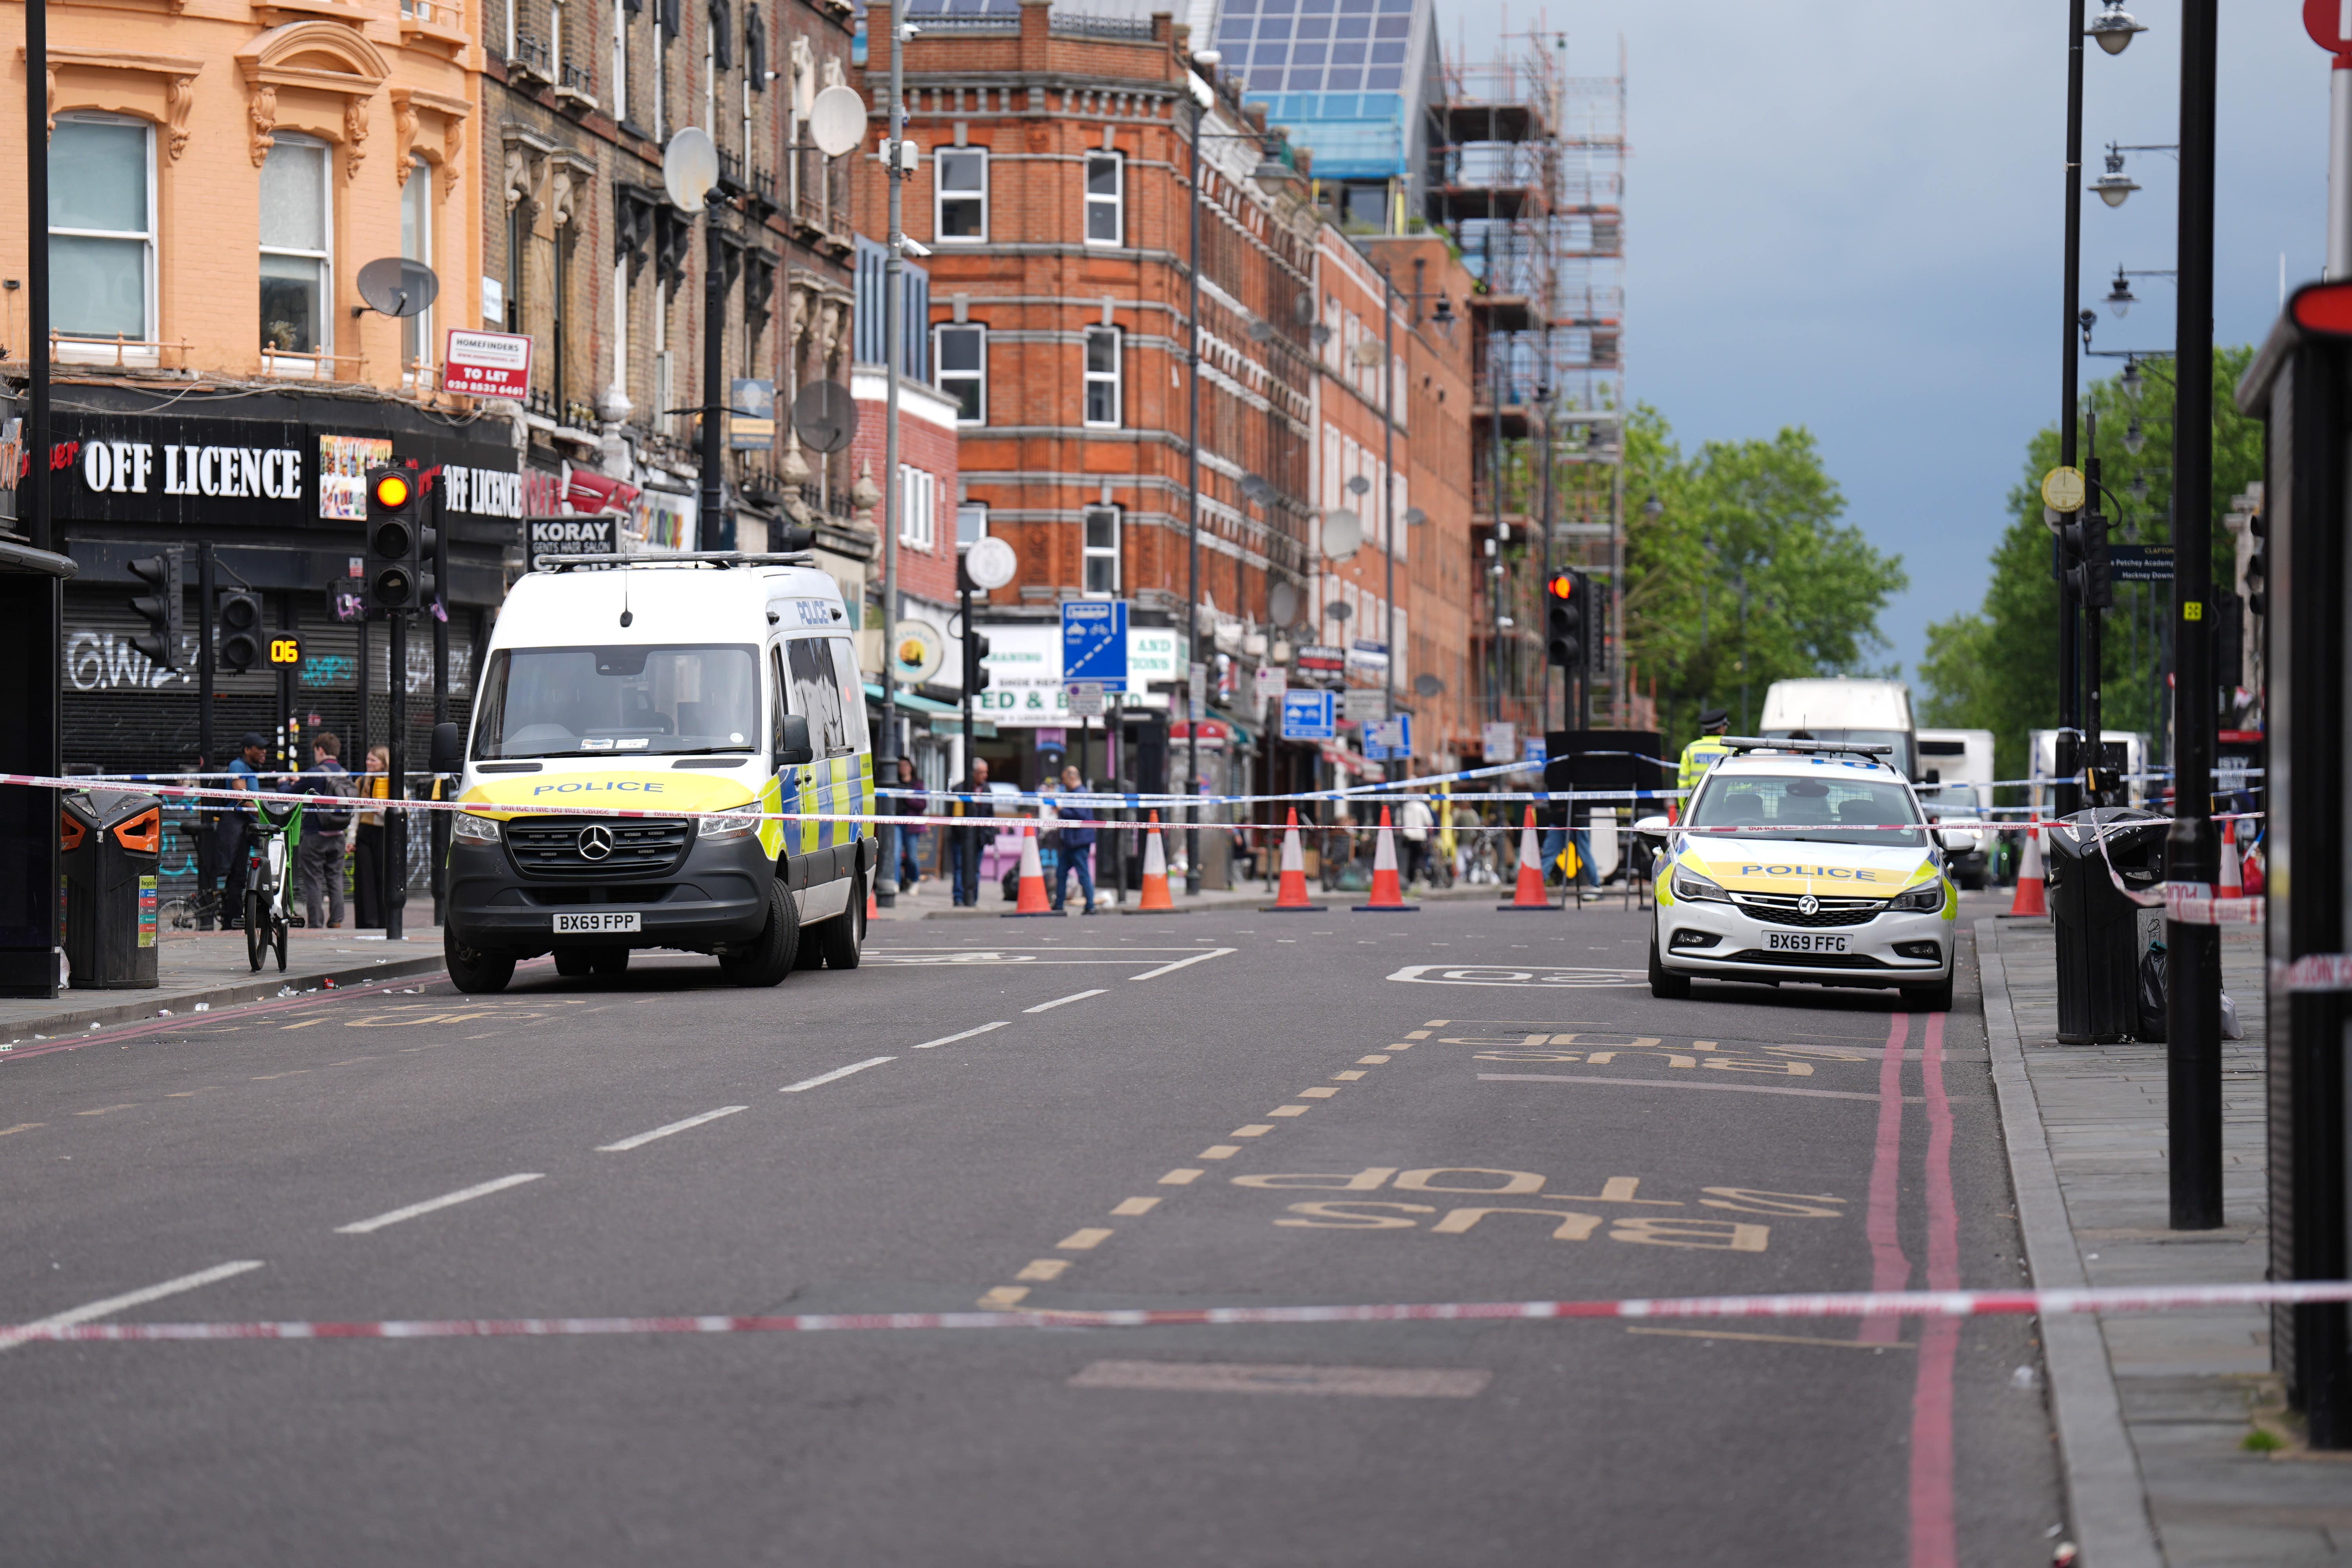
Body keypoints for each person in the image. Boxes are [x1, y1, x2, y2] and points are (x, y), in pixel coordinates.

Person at [295, 731, 354, 929]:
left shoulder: (316, 773)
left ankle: (316, 923)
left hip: (315, 836)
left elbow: (289, 794)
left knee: (313, 881)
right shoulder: (346, 773)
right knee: (335, 879)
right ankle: (336, 920)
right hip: (338, 836)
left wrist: (284, 782)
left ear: (320, 750)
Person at [219, 732, 268, 927]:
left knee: (240, 874)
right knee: (237, 874)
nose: (264, 752)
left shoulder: (251, 769)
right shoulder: (237, 766)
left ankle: (233, 917)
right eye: (260, 748)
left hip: (245, 828)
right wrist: (264, 814)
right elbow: (244, 799)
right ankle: (231, 921)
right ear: (247, 750)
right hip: (235, 827)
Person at [947, 757, 995, 907]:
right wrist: (963, 833)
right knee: (961, 867)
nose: (985, 776)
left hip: (979, 838)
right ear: (973, 773)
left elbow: (989, 814)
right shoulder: (959, 789)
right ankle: (959, 898)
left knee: (975, 870)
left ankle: (973, 898)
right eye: (981, 773)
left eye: (986, 773)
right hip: (961, 838)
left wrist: (989, 835)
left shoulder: (987, 790)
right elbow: (954, 814)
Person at [1051, 764, 1098, 913]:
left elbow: (1080, 815)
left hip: (1079, 842)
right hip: (1071, 842)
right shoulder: (1074, 793)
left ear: (1072, 777)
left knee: (1083, 875)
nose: (1063, 783)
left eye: (1064, 779)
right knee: (1061, 873)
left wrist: (1061, 810)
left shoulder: (1081, 793)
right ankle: (1059, 905)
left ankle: (1090, 906)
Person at [354, 744, 390, 930]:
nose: (368, 763)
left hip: (384, 834)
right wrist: (351, 839)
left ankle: (385, 922)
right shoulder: (362, 782)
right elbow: (356, 814)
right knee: (364, 879)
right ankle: (368, 923)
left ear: (383, 763)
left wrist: (383, 812)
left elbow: (403, 811)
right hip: (365, 833)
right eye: (368, 759)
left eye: (373, 760)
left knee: (383, 878)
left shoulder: (395, 782)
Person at [1677, 708, 1735, 802]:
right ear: (1721, 727)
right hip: (1723, 806)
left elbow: (1683, 783)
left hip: (1696, 806)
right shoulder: (1731, 749)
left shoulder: (1691, 749)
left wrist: (1684, 809)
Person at [891, 755, 927, 891]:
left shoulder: (917, 783)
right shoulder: (894, 783)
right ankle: (895, 882)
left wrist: (908, 797)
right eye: (901, 766)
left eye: (906, 766)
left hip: (912, 824)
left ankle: (915, 880)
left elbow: (922, 804)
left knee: (912, 856)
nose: (903, 769)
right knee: (895, 854)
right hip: (897, 822)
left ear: (911, 768)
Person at [1398, 787, 1434, 887]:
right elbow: (1430, 823)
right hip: (1420, 836)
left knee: (1409, 858)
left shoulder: (1404, 807)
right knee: (1420, 857)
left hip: (1407, 836)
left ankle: (1410, 879)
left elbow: (1398, 824)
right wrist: (1431, 836)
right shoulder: (1422, 806)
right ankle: (1419, 876)